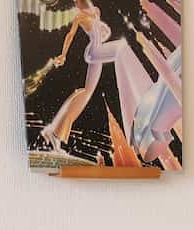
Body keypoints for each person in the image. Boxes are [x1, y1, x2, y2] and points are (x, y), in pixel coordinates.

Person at [41, 0, 150, 154]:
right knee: (121, 48)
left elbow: (102, 33)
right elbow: (70, 36)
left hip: (98, 52)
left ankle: (55, 131)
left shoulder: (96, 11)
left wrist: (104, 32)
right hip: (93, 52)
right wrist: (63, 55)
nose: (77, 3)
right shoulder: (80, 16)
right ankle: (139, 88)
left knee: (86, 93)